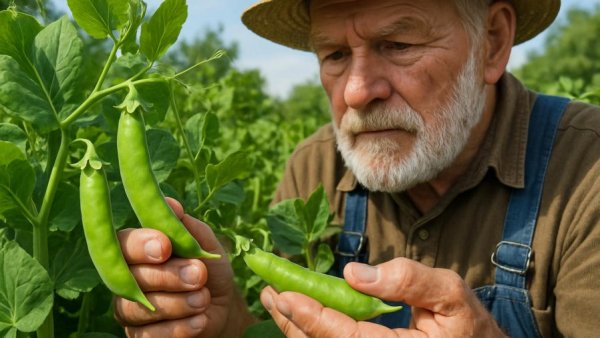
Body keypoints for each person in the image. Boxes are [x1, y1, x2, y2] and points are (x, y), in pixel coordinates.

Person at [113, 0, 600, 337]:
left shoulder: (586, 172)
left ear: (492, 43)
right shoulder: (314, 171)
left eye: (398, 44)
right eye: (336, 55)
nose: (356, 91)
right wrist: (224, 326)